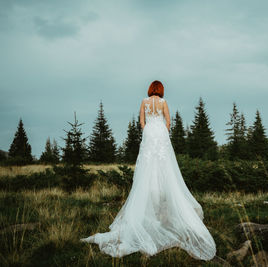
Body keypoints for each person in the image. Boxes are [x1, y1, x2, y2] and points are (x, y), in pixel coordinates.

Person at [80, 80, 217, 261]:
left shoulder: (144, 102)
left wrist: (148, 132)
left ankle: (149, 207)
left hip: (149, 133)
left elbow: (141, 122)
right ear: (160, 90)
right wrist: (162, 131)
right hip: (159, 132)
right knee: (164, 165)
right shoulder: (163, 103)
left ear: (150, 89)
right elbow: (168, 121)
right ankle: (162, 205)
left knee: (147, 167)